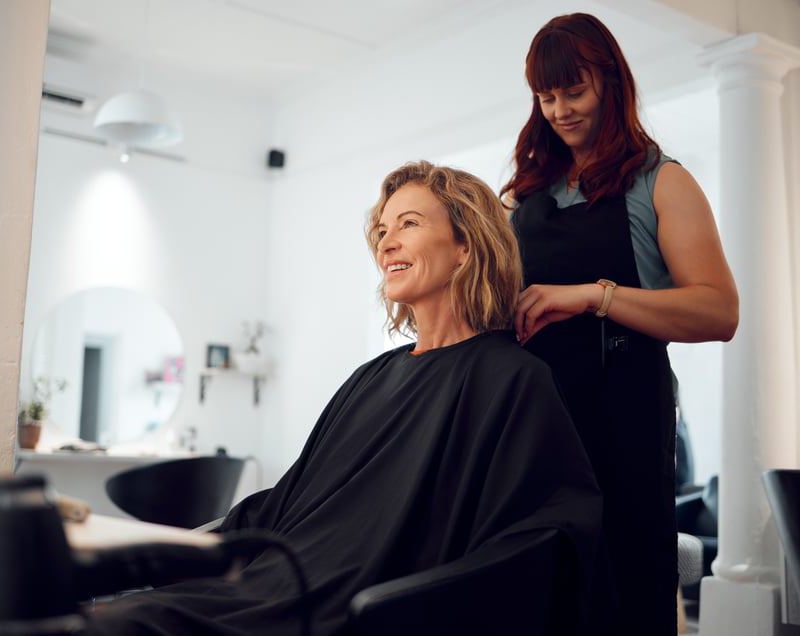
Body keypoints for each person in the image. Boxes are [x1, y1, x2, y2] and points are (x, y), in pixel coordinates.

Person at [81, 160, 602, 635]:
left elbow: (545, 533)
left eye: (409, 224)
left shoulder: (512, 379)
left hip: (365, 610)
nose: (387, 243)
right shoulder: (372, 377)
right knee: (99, 615)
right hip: (277, 585)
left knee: (126, 624)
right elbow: (286, 504)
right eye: (382, 230)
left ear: (466, 244)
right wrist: (173, 550)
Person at [500, 12, 739, 636]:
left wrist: (591, 297)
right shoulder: (522, 195)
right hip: (536, 427)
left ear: (611, 83)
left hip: (625, 423)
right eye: (545, 97)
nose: (559, 110)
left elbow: (719, 310)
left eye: (573, 91)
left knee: (624, 593)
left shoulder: (663, 181)